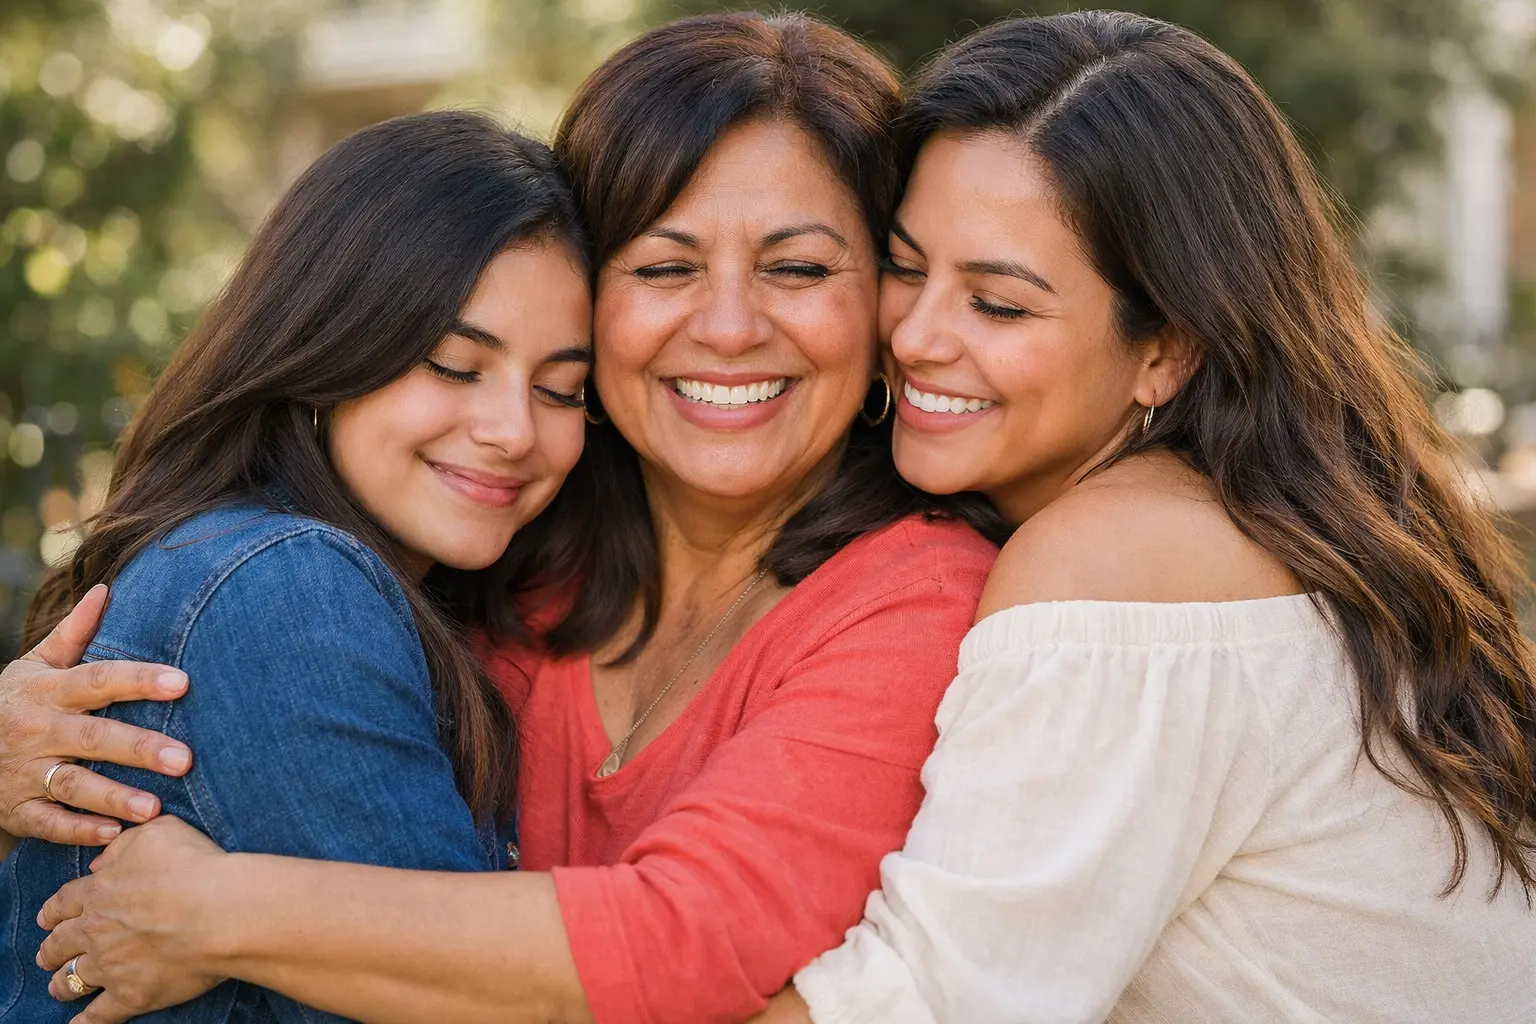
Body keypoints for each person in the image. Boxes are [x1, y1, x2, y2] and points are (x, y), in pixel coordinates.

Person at [1, 13, 1005, 1024]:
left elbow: (693, 934)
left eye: (797, 268)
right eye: (664, 267)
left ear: (886, 301)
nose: (732, 325)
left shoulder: (919, 596)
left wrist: (220, 912)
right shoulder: (477, 572)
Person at [759, 12, 1536, 1023]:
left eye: (997, 304)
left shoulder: (1118, 562)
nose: (913, 333)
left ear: (1167, 347)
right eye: (907, 267)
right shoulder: (1269, 519)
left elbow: (922, 1003)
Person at [0, 110, 595, 1022]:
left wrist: (217, 920)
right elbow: (479, 1001)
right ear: (329, 344)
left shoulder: (331, 580)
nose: (515, 429)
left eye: (561, 389)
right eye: (453, 364)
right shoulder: (282, 586)